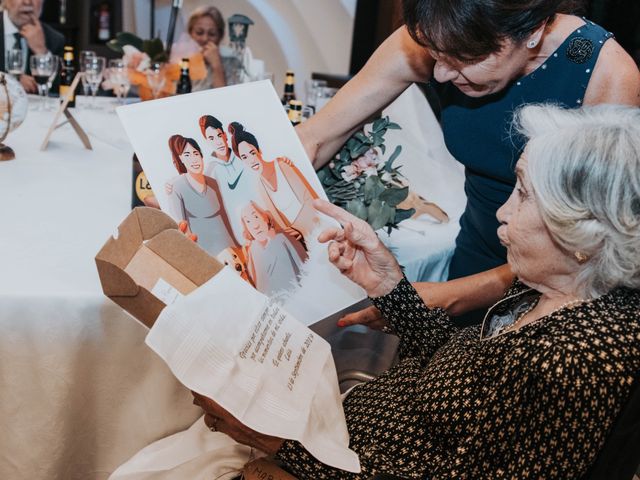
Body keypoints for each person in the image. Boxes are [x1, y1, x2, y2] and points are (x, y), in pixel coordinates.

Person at [193, 104, 640, 479]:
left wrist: (278, 443)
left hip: (340, 458)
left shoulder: (572, 360)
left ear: (583, 235)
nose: (502, 211)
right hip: (346, 432)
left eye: (524, 195)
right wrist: (389, 288)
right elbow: (459, 380)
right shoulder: (555, 290)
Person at [298, 0, 640, 325]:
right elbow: (317, 138)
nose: (442, 74)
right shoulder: (441, 33)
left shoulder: (606, 75)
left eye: (463, 58)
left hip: (557, 287)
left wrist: (451, 296)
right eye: (436, 55)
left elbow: (592, 246)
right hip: (475, 250)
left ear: (532, 30)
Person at [229, 121, 320, 238]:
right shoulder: (260, 186)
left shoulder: (282, 165)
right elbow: (280, 222)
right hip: (301, 240)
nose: (251, 160)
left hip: (317, 226)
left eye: (252, 153)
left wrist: (300, 228)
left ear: (259, 150)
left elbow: (311, 200)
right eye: (244, 157)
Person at [166, 134, 237, 256]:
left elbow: (225, 218)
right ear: (181, 159)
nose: (194, 159)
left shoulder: (213, 183)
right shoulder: (176, 187)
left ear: (201, 155)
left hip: (229, 250)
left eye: (196, 153)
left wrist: (236, 245)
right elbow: (181, 227)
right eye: (187, 155)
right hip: (204, 253)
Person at [240, 200, 307, 297]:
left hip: (300, 294)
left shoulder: (283, 237)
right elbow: (258, 288)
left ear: (265, 217)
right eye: (248, 221)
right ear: (247, 228)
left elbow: (306, 268)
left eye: (256, 216)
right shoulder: (252, 253)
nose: (255, 225)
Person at [0, 0, 64, 93]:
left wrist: (41, 51)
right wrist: (10, 82)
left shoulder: (54, 39)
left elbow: (59, 92)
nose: (27, 2)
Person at [187, 6, 227, 91]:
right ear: (190, 33)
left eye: (212, 34)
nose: (205, 39)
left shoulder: (232, 65)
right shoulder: (179, 62)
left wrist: (216, 66)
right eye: (199, 32)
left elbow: (225, 100)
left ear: (220, 37)